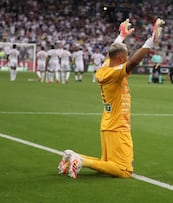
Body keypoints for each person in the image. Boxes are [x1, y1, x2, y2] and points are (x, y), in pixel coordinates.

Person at [57, 18, 165, 179]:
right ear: (121, 59)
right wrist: (151, 41)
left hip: (107, 125)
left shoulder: (104, 68)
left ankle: (73, 157)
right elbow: (134, 62)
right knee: (124, 170)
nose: (128, 58)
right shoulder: (116, 73)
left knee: (108, 164)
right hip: (118, 126)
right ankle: (80, 160)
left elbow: (112, 53)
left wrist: (121, 36)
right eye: (126, 56)